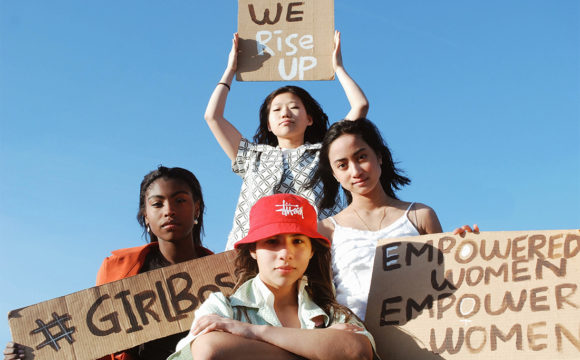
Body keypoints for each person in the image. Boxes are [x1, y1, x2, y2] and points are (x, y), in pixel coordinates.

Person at [3, 166, 214, 360]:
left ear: (197, 208)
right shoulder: (117, 268)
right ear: (146, 216)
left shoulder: (224, 274)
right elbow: (93, 343)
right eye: (157, 204)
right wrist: (28, 354)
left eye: (180, 200)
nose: (169, 210)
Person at [205, 31, 369, 250]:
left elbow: (360, 106)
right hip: (255, 252)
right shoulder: (251, 157)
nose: (286, 113)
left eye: (294, 107)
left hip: (313, 251)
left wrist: (338, 67)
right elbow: (212, 116)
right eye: (277, 110)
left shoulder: (326, 153)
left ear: (309, 119)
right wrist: (230, 70)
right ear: (269, 125)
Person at [166, 193, 376, 360]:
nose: (286, 254)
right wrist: (321, 347)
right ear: (253, 250)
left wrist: (250, 331)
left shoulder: (331, 313)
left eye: (298, 242)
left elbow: (358, 351)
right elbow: (210, 350)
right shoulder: (223, 308)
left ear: (312, 251)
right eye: (273, 241)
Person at [310, 118, 478, 321]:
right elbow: (322, 297)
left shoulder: (420, 215)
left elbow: (445, 281)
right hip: (358, 341)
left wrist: (467, 250)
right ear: (334, 173)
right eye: (342, 165)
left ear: (379, 156)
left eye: (362, 157)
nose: (355, 171)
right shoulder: (326, 230)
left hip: (420, 337)